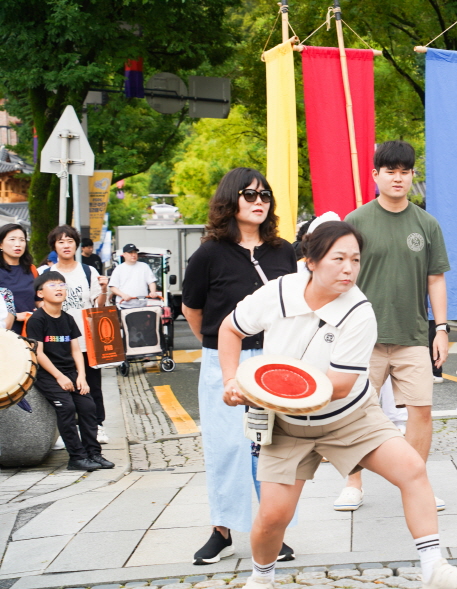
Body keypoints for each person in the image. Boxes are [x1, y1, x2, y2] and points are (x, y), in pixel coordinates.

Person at [218, 221, 457, 589]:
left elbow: (339, 386)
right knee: (273, 516)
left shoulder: (359, 311)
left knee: (412, 469)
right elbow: (230, 329)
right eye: (338, 258)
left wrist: (264, 391)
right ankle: (260, 581)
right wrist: (233, 380)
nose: (348, 268)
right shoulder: (278, 292)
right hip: (286, 426)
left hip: (349, 417)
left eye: (355, 260)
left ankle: (434, 567)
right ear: (310, 260)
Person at [181, 167, 297, 565]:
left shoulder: (285, 252)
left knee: (271, 446)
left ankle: (271, 532)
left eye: (265, 195)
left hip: (274, 360)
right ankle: (222, 530)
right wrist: (219, 347)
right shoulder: (209, 253)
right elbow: (191, 309)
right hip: (223, 361)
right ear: (231, 201)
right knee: (226, 446)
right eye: (250, 195)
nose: (260, 201)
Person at [340, 141, 450, 512]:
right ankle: (352, 484)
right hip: (362, 338)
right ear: (376, 175)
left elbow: (436, 279)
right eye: (390, 171)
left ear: (412, 175)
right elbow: (342, 277)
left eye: (405, 171)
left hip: (413, 335)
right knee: (352, 411)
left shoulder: (426, 224)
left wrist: (442, 328)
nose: (398, 178)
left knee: (420, 411)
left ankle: (415, 482)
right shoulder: (355, 221)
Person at [28, 271, 114, 471]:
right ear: (40, 293)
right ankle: (76, 457)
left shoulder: (67, 319)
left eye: (62, 285)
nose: (59, 288)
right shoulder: (37, 320)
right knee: (67, 407)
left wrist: (81, 377)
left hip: (70, 373)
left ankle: (94, 453)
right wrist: (59, 377)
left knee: (88, 406)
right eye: (52, 285)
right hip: (47, 375)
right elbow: (38, 353)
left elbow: (76, 350)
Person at [47, 225, 111, 445]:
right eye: (61, 241)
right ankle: (68, 430)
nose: (66, 245)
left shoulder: (87, 271)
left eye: (70, 241)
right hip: (58, 341)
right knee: (63, 386)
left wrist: (104, 290)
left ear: (76, 245)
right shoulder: (46, 273)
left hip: (86, 338)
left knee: (92, 385)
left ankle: (96, 425)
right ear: (54, 246)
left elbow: (97, 305)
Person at [0, 223, 37, 334]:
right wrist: (15, 316)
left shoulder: (31, 269)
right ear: (0, 244)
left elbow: (38, 299)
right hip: (6, 334)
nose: (18, 244)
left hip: (32, 331)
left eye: (22, 240)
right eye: (12, 239)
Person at [109, 244, 161, 308]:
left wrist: (153, 292)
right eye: (130, 252)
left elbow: (151, 281)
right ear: (124, 254)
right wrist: (123, 295)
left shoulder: (144, 266)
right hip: (123, 305)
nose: (133, 255)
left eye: (135, 252)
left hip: (142, 305)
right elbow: (113, 287)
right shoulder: (119, 269)